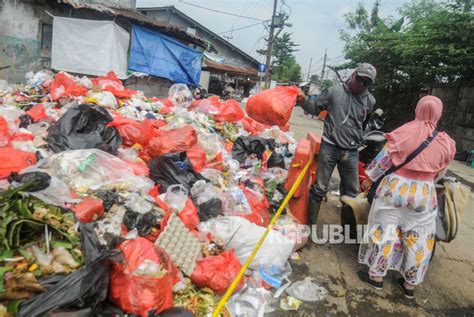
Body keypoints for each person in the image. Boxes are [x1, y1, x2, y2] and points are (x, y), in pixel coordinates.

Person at [357, 96, 455, 299]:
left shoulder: (404, 132)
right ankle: (409, 284)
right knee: (418, 238)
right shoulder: (446, 142)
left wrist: (369, 178)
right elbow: (441, 172)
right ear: (439, 113)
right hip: (424, 194)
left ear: (418, 109)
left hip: (395, 189)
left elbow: (383, 161)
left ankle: (376, 277)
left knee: (384, 232)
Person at [296, 63, 377, 225]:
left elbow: (365, 124)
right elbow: (314, 109)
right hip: (330, 147)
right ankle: (309, 227)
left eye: (366, 83)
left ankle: (348, 231)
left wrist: (362, 136)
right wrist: (302, 99)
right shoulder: (334, 91)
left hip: (352, 152)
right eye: (360, 79)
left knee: (352, 193)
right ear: (354, 74)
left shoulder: (370, 101)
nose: (362, 84)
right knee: (319, 188)